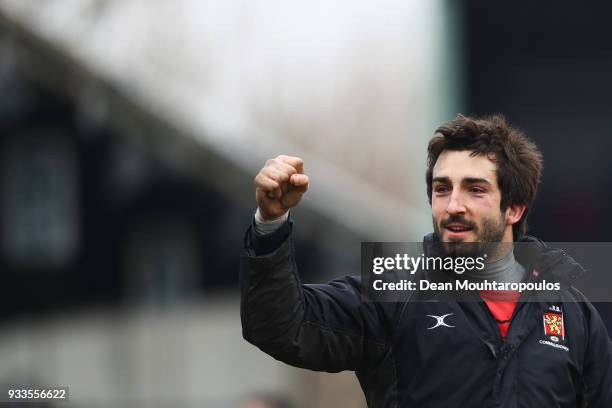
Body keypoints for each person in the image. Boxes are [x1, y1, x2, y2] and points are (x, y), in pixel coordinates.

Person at [240, 114, 612, 407]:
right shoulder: (393, 296)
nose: (453, 206)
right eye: (441, 188)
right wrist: (270, 223)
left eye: (475, 189)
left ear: (514, 208)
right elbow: (279, 327)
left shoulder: (573, 316)